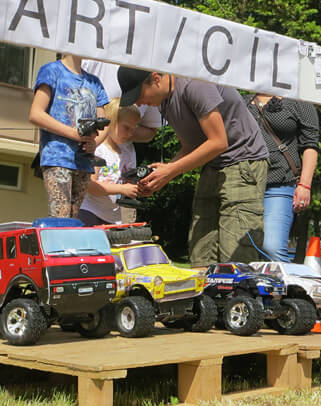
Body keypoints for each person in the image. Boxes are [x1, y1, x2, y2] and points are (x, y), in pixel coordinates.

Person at [117, 68, 269, 266]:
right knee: (201, 252)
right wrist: (162, 174)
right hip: (213, 165)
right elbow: (190, 146)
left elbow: (218, 142)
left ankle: (240, 286)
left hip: (243, 161)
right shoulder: (165, 101)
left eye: (139, 94)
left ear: (155, 78)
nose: (139, 103)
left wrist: (171, 170)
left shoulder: (195, 84)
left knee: (235, 257)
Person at [29, 53, 109, 218]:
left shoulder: (94, 82)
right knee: (61, 215)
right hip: (57, 157)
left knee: (73, 218)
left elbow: (105, 123)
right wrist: (74, 134)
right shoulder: (51, 71)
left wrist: (94, 143)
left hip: (84, 162)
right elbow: (36, 114)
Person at [246, 94, 320, 262]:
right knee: (243, 251)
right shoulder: (244, 101)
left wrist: (305, 185)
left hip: (279, 184)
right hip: (245, 184)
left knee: (272, 248)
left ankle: (287, 280)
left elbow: (310, 144)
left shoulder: (299, 101)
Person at [77, 98, 141, 226]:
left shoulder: (127, 153)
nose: (130, 134)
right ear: (111, 122)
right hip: (90, 212)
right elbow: (90, 185)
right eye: (126, 128)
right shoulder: (98, 149)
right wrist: (122, 189)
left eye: (133, 130)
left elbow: (127, 183)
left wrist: (136, 187)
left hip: (113, 217)